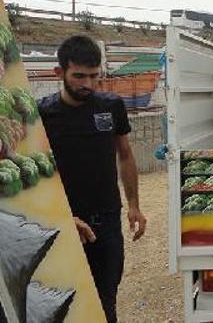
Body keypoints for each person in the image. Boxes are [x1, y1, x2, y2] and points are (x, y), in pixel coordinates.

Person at [37, 35, 147, 323]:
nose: (87, 84)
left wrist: (134, 205)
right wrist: (60, 218)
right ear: (59, 73)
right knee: (63, 303)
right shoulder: (41, 115)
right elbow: (36, 175)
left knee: (105, 299)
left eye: (94, 76)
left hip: (106, 223)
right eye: (79, 76)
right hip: (63, 224)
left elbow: (125, 155)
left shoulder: (111, 107)